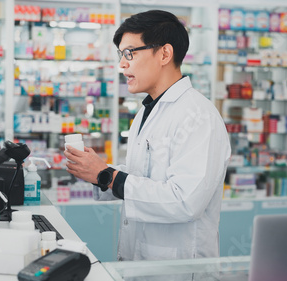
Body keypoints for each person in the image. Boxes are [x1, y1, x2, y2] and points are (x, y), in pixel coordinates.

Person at [65, 10, 231, 262]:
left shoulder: (198, 115)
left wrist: (108, 176)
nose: (122, 64)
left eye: (130, 53)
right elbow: (143, 175)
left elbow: (185, 201)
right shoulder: (148, 109)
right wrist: (97, 172)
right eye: (121, 55)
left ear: (164, 53)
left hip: (179, 265)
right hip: (142, 259)